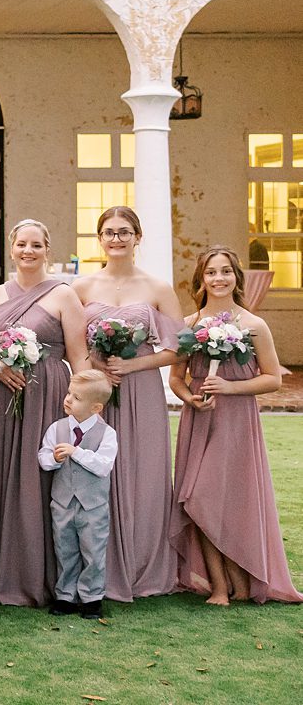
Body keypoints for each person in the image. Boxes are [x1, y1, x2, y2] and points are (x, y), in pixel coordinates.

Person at [169, 246, 303, 605]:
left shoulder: (254, 325)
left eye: (226, 271)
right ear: (201, 280)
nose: (219, 278)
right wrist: (189, 397)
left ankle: (241, 583)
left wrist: (230, 387)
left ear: (236, 277)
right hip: (199, 420)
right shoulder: (189, 326)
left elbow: (273, 379)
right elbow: (177, 378)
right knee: (198, 498)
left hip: (236, 422)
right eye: (211, 272)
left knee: (226, 500)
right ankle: (219, 586)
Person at [0, 219, 91, 607]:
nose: (28, 251)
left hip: (47, 393)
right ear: (11, 248)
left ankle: (41, 574)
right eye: (21, 244)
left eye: (36, 245)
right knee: (0, 474)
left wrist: (81, 407)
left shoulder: (63, 295)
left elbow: (79, 356)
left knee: (40, 480)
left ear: (47, 249)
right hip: (1, 393)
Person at [73, 205, 182, 601]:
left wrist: (132, 364)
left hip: (141, 391)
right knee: (96, 472)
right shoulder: (81, 288)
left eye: (124, 232)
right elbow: (72, 342)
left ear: (138, 237)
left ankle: (141, 565)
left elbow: (177, 349)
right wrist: (96, 370)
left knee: (143, 471)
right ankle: (97, 565)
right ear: (99, 239)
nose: (116, 238)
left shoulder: (157, 287)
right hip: (97, 391)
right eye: (109, 232)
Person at [38, 368, 119, 620]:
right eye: (69, 393)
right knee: (64, 548)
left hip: (93, 506)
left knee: (93, 551)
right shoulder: (57, 428)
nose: (68, 399)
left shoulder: (107, 434)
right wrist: (53, 458)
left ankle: (92, 598)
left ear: (96, 407)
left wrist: (76, 452)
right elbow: (43, 457)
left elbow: (103, 465)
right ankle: (65, 596)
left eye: (77, 397)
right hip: (62, 502)